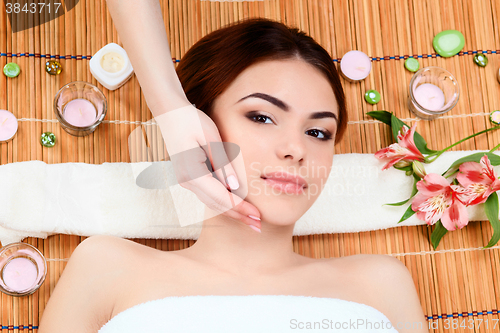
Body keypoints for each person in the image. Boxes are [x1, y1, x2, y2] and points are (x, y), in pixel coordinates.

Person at [38, 2, 429, 333]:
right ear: (198, 124)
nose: (296, 149)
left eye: (318, 131)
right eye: (261, 117)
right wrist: (170, 109)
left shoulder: (380, 284)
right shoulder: (106, 267)